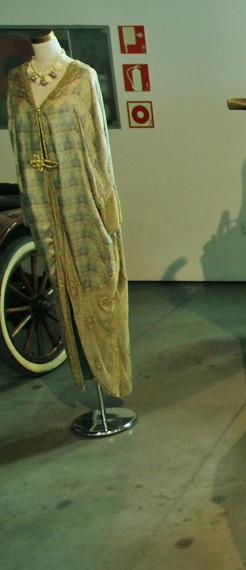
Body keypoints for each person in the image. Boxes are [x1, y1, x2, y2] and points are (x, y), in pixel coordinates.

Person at [6, 30, 132, 398]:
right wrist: (29, 202)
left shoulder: (81, 77)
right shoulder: (16, 82)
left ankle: (111, 377)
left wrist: (107, 205)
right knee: (59, 289)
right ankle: (84, 375)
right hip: (41, 204)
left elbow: (99, 146)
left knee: (99, 282)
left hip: (83, 200)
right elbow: (17, 145)